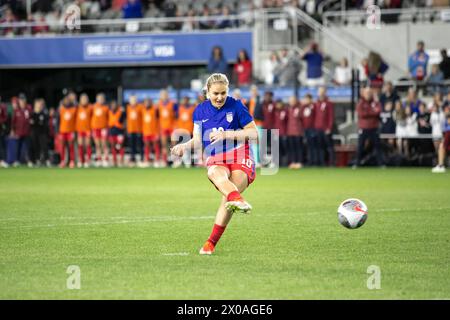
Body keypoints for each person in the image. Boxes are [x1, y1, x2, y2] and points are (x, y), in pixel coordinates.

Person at [170, 73, 258, 255]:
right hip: (216, 154)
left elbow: (254, 133)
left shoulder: (236, 106)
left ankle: (211, 242)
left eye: (223, 93)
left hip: (240, 152)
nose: (219, 97)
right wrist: (184, 146)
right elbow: (197, 139)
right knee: (215, 174)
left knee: (228, 196)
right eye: (215, 93)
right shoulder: (200, 110)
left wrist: (227, 134)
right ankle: (237, 199)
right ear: (207, 92)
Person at [354, 87, 383, 167]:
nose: (368, 95)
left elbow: (379, 111)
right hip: (363, 128)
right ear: (363, 94)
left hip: (374, 127)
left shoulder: (375, 102)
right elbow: (362, 114)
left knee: (377, 146)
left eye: (370, 93)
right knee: (360, 146)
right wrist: (373, 112)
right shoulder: (361, 103)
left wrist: (369, 112)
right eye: (367, 93)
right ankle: (357, 163)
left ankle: (381, 164)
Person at [314, 86, 335, 166]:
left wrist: (329, 128)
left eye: (322, 91)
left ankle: (332, 163)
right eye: (320, 91)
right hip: (318, 128)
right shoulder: (316, 103)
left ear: (325, 92)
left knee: (329, 147)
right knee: (320, 147)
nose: (321, 93)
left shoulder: (329, 103)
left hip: (326, 128)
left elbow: (331, 116)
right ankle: (322, 163)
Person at [11, 94, 33, 167]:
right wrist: (13, 130)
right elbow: (13, 121)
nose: (22, 101)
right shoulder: (17, 110)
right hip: (18, 132)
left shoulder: (28, 109)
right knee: (18, 147)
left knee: (28, 147)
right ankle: (17, 160)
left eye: (23, 100)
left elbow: (31, 118)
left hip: (27, 132)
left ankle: (29, 160)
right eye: (21, 100)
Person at [173, 96, 194, 168]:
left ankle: (187, 161)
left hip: (189, 131)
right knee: (179, 147)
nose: (185, 101)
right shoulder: (179, 108)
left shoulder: (192, 109)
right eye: (184, 99)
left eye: (186, 100)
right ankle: (178, 161)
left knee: (187, 147)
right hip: (181, 131)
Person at [158, 89, 177, 167]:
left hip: (172, 127)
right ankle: (165, 161)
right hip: (163, 127)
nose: (164, 96)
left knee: (174, 144)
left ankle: (175, 160)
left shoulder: (173, 104)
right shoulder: (158, 105)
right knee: (164, 145)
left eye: (165, 95)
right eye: (163, 95)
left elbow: (177, 115)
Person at [91, 93, 109, 167]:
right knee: (97, 145)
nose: (100, 100)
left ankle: (106, 159)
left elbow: (108, 117)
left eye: (102, 98)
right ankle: (99, 159)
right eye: (99, 98)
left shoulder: (106, 108)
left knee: (104, 144)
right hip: (95, 128)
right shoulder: (93, 107)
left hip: (104, 128)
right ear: (96, 99)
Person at [58, 96, 77, 168]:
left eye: (68, 101)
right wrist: (58, 131)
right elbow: (58, 121)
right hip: (62, 131)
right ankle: (62, 161)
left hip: (71, 131)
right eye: (65, 101)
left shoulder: (74, 109)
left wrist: (75, 131)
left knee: (71, 146)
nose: (67, 102)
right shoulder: (61, 110)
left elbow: (76, 121)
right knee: (62, 147)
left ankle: (72, 161)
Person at [30, 98, 50, 167]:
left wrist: (36, 123)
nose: (38, 105)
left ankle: (47, 160)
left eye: (39, 104)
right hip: (34, 133)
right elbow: (31, 123)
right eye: (37, 104)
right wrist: (37, 123)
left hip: (42, 133)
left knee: (44, 146)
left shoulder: (43, 113)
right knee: (36, 147)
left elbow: (44, 123)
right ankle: (37, 160)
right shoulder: (32, 113)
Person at [141, 98, 160, 168]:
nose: (147, 104)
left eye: (148, 102)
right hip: (146, 131)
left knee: (155, 146)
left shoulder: (155, 110)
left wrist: (158, 132)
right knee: (146, 146)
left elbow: (158, 121)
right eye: (146, 102)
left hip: (154, 132)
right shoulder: (142, 110)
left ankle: (157, 161)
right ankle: (147, 161)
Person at [286, 96, 303, 169]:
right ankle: (293, 162)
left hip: (298, 131)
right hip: (290, 131)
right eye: (290, 101)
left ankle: (299, 162)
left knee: (298, 148)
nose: (291, 102)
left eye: (293, 101)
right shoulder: (288, 109)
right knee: (292, 148)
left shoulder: (299, 108)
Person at [76, 93, 92, 168]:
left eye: (85, 99)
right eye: (82, 99)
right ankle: (80, 160)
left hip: (88, 129)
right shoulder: (77, 108)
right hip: (80, 129)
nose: (84, 100)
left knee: (87, 145)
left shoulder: (90, 108)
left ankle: (87, 160)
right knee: (80, 145)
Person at [126, 95, 143, 167]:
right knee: (132, 146)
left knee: (140, 145)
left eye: (134, 100)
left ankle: (142, 159)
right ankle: (133, 160)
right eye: (131, 100)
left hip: (138, 129)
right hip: (131, 129)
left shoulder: (140, 107)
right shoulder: (128, 107)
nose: (133, 101)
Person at [108, 100, 126, 167]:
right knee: (113, 146)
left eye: (115, 105)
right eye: (112, 105)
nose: (113, 106)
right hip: (112, 131)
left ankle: (121, 161)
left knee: (120, 146)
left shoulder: (121, 112)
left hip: (119, 131)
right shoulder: (109, 112)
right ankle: (114, 161)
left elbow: (124, 120)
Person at [301, 93, 317, 166]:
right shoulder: (303, 107)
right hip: (305, 129)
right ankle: (310, 161)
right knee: (308, 146)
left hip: (312, 129)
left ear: (310, 99)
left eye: (307, 99)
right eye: (305, 99)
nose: (306, 100)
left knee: (314, 146)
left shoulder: (314, 106)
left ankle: (315, 161)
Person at [273, 99, 288, 166]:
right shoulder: (275, 112)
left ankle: (285, 163)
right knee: (277, 149)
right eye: (277, 104)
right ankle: (278, 163)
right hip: (276, 132)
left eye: (279, 104)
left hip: (283, 132)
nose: (278, 105)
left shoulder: (285, 111)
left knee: (284, 148)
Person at [0, 98, 8, 168]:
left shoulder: (2, 107)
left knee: (1, 146)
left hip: (0, 129)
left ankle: (2, 161)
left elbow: (5, 118)